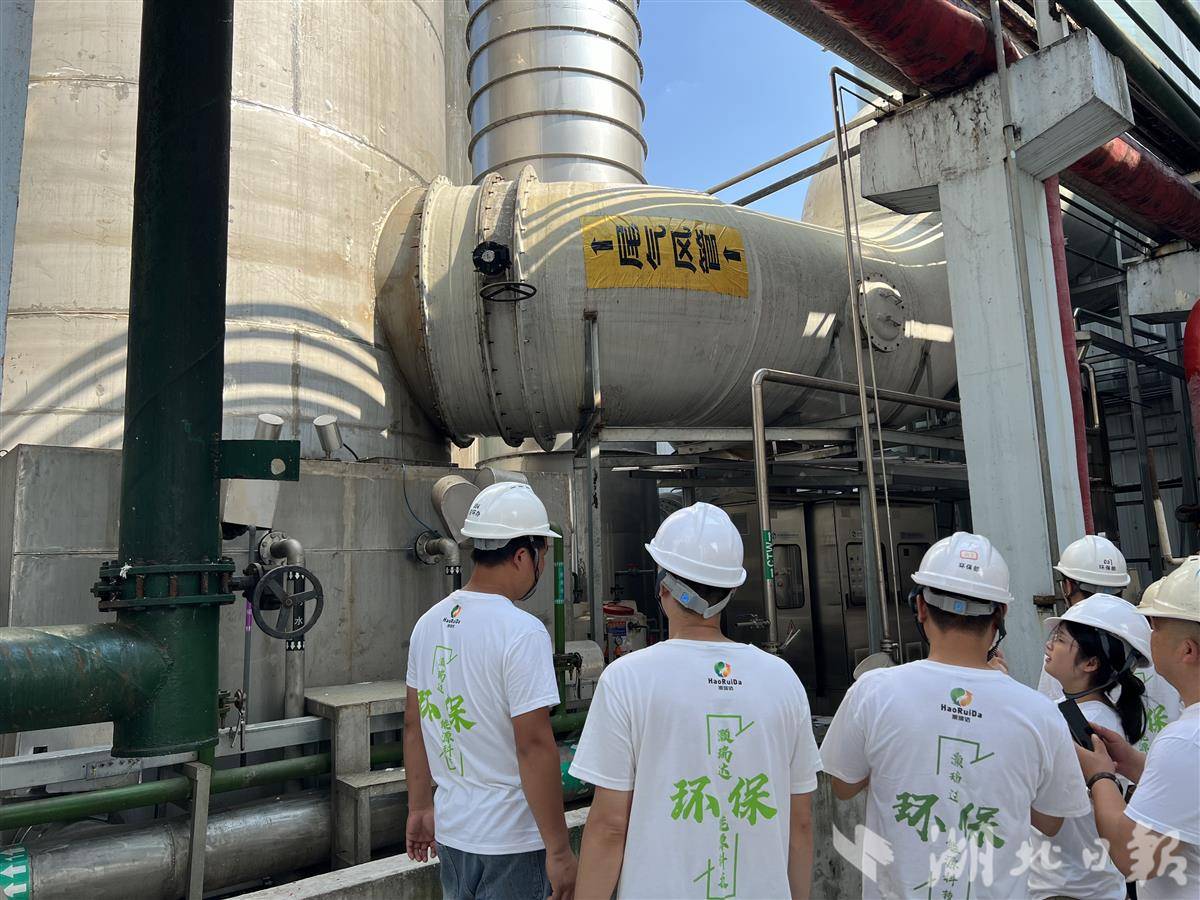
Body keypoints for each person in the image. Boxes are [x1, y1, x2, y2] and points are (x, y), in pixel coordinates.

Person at [569, 502, 822, 899]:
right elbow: (801, 823)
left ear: (662, 587)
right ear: (732, 591)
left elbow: (609, 826)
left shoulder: (628, 679)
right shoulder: (782, 679)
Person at [820, 532, 1090, 899]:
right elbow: (1050, 820)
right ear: (1001, 614)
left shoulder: (875, 691)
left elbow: (843, 784)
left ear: (920, 608)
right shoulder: (1039, 712)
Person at [403, 482, 576, 899]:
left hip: (454, 835)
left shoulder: (428, 623)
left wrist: (420, 806)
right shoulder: (522, 632)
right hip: (511, 841)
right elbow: (534, 746)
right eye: (542, 554)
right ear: (522, 556)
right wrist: (559, 850)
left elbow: (413, 724)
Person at [1076, 555, 1200, 899]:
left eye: (1156, 626)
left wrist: (1100, 776)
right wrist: (1134, 764)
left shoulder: (1185, 740)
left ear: (1187, 650)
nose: (1149, 634)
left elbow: (1135, 857)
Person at [1027, 594, 1151, 900]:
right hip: (1091, 881)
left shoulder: (1082, 723)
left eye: (1060, 639)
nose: (1049, 645)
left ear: (1091, 663)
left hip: (1067, 886)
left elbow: (1047, 815)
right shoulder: (1095, 713)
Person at [1033, 535, 1181, 751]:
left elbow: (1043, 716)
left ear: (1068, 586)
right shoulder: (1148, 642)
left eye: (1059, 638)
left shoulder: (1070, 653)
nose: (1051, 645)